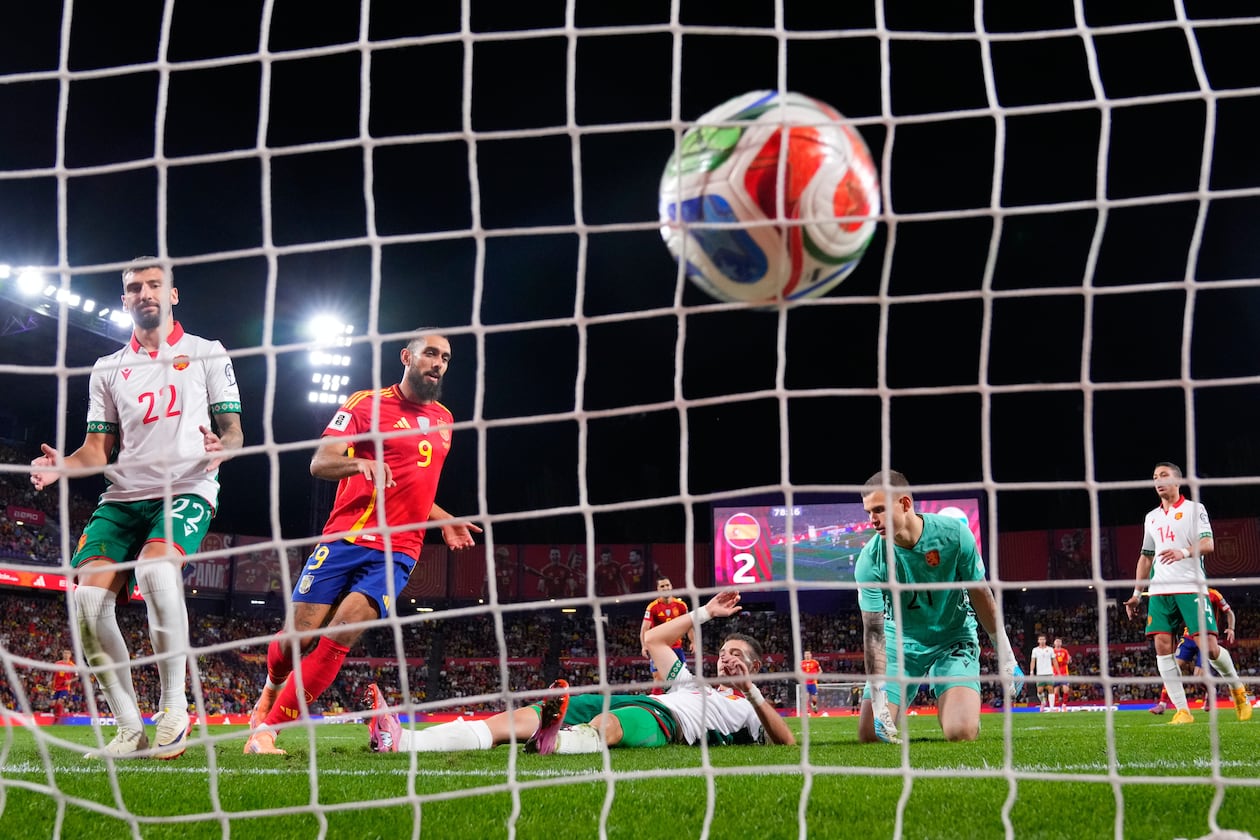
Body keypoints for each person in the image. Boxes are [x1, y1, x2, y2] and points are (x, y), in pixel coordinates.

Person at [29, 257, 243, 760]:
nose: (144, 292)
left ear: (172, 295)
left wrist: (224, 447)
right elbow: (96, 452)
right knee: (86, 603)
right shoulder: (108, 369)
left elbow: (233, 429)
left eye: (154, 285)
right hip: (123, 496)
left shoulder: (207, 353)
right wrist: (65, 466)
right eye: (133, 287)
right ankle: (129, 727)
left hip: (187, 487)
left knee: (156, 573)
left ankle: (174, 708)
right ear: (124, 300)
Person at [243, 333, 480, 755]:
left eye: (445, 357)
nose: (438, 363)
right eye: (430, 353)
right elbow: (320, 461)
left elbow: (415, 488)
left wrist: (444, 520)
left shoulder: (446, 420)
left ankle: (268, 731)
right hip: (346, 536)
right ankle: (269, 690)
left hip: (400, 549)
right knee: (296, 638)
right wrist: (360, 461)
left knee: (341, 635)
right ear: (406, 357)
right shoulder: (364, 404)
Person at [365, 590, 795, 753]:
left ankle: (561, 741)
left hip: (665, 721)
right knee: (517, 718)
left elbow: (787, 741)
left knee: (606, 725)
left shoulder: (746, 712)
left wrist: (751, 690)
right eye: (724, 652)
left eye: (736, 655)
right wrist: (703, 612)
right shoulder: (689, 680)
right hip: (646, 699)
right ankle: (402, 741)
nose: (726, 659)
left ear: (755, 667)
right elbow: (654, 642)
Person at [854, 470, 1023, 744]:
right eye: (868, 512)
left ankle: (959, 704)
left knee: (960, 733)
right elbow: (873, 632)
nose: (872, 520)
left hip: (952, 639)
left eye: (879, 510)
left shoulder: (954, 535)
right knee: (870, 735)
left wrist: (1006, 656)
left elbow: (981, 594)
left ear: (905, 504)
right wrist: (879, 695)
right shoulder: (870, 560)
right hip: (900, 644)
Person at [1123, 462, 1251, 724]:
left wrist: (1183, 552)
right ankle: (1183, 711)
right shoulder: (1151, 517)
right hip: (1160, 591)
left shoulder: (1194, 509)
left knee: (1210, 648)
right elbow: (1146, 557)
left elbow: (1208, 544)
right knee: (1161, 646)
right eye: (1155, 477)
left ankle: (1238, 691)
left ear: (1177, 481)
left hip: (1191, 586)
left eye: (1164, 476)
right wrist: (1137, 592)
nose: (1158, 481)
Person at [1147, 586, 1242, 715]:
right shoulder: (1185, 592)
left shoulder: (1214, 594)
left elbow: (1229, 612)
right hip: (1188, 638)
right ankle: (1162, 704)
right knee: (1173, 666)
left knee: (1198, 677)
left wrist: (1231, 628)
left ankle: (1211, 691)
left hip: (1206, 637)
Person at [640, 577, 694, 695]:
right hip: (658, 647)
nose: (666, 588)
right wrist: (644, 646)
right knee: (659, 678)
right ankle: (655, 703)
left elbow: (689, 625)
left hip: (676, 647)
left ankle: (681, 701)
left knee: (682, 677)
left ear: (671, 586)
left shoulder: (681, 606)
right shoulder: (652, 607)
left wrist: (693, 641)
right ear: (658, 589)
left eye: (667, 585)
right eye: (662, 586)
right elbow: (645, 628)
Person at [1029, 635, 1057, 711]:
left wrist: (1057, 672)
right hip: (1040, 674)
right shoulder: (1035, 650)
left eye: (1043, 639)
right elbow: (1033, 661)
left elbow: (1054, 661)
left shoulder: (1050, 649)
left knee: (1051, 689)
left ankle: (1051, 707)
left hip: (1049, 673)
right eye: (1040, 639)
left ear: (1045, 640)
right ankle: (1043, 702)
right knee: (1039, 691)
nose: (1042, 641)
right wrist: (1031, 672)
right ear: (1038, 641)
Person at [51, 649, 76, 717]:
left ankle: (59, 716)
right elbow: (53, 674)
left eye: (68, 653)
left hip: (65, 687)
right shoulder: (57, 663)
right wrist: (50, 681)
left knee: (59, 702)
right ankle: (67, 705)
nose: (66, 655)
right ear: (62, 654)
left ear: (70, 655)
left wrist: (70, 681)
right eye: (65, 653)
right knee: (52, 704)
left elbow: (78, 677)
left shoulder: (72, 665)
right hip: (56, 687)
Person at [1051, 637, 1072, 711]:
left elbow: (1068, 661)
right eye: (1056, 641)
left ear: (1061, 643)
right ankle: (1056, 707)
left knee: (1066, 690)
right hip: (1055, 673)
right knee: (1056, 691)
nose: (1058, 643)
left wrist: (1068, 660)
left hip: (1064, 673)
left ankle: (1064, 705)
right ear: (1054, 643)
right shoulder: (1052, 651)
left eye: (1059, 642)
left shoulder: (1065, 651)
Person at [800, 650, 822, 715]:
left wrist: (816, 676)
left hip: (813, 683)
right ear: (804, 655)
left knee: (814, 699)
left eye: (808, 654)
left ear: (810, 655)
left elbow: (820, 671)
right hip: (805, 683)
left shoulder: (815, 662)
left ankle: (814, 705)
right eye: (805, 654)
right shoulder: (801, 663)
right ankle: (807, 712)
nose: (807, 655)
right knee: (806, 697)